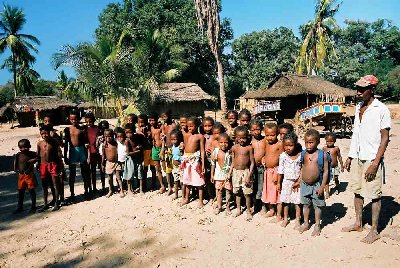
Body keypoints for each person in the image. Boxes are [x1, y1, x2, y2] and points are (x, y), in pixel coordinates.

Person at [342, 75, 391, 244]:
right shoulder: (358, 108)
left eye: (362, 90)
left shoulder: (381, 109)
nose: (358, 92)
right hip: (357, 157)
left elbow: (385, 138)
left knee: (374, 195)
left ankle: (374, 230)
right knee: (357, 190)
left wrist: (376, 163)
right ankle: (358, 223)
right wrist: (350, 155)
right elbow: (356, 133)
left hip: (372, 158)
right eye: (358, 89)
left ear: (372, 90)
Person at [299, 129, 330, 236]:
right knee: (305, 204)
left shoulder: (322, 155)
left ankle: (317, 224)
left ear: (318, 142)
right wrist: (300, 180)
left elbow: (326, 171)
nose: (308, 145)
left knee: (317, 206)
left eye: (311, 142)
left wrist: (322, 187)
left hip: (317, 184)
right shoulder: (303, 154)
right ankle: (306, 223)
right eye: (306, 142)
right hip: (305, 184)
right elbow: (302, 167)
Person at [228, 126, 254, 221]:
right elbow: (232, 162)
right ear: (236, 138)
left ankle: (248, 211)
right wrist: (229, 173)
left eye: (244, 137)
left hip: (246, 172)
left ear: (247, 137)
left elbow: (252, 163)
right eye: (240, 138)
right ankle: (238, 209)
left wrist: (249, 175)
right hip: (235, 172)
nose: (242, 140)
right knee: (237, 192)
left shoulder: (249, 148)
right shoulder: (234, 148)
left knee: (247, 193)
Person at [64, 110, 91, 201]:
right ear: (69, 119)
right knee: (72, 173)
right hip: (72, 151)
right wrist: (65, 156)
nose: (74, 121)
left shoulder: (82, 129)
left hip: (81, 150)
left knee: (85, 172)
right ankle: (72, 193)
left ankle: (86, 191)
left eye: (75, 119)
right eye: (72, 119)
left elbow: (86, 141)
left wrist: (88, 155)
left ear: (78, 119)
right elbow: (66, 143)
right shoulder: (67, 130)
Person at [277, 132, 302, 229]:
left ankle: (297, 220)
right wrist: (279, 183)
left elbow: (302, 169)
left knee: (297, 202)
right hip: (286, 182)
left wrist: (299, 181)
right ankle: (286, 218)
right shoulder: (283, 156)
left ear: (295, 145)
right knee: (285, 201)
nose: (288, 148)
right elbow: (280, 170)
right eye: (286, 145)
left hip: (297, 182)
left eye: (291, 145)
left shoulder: (300, 156)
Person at [181, 116, 205, 208]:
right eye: (188, 126)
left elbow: (202, 150)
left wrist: (202, 164)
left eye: (191, 126)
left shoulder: (200, 136)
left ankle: (201, 201)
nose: (189, 128)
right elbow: (184, 147)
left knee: (199, 181)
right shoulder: (187, 135)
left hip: (195, 160)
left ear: (197, 125)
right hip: (186, 160)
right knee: (187, 180)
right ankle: (186, 198)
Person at [261, 123, 283, 219]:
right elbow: (266, 153)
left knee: (277, 193)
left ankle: (279, 214)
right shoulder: (265, 142)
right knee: (269, 191)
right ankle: (272, 210)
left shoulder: (279, 144)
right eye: (267, 135)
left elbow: (282, 159)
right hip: (267, 171)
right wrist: (263, 158)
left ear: (277, 134)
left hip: (276, 171)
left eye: (272, 135)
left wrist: (278, 174)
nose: (270, 138)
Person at [37, 125, 62, 211]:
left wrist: (60, 166)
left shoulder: (54, 142)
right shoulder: (39, 143)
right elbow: (38, 155)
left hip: (53, 164)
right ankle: (45, 203)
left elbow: (58, 155)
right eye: (42, 133)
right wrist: (37, 164)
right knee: (44, 185)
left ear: (49, 133)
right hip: (43, 165)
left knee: (55, 183)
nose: (44, 135)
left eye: (46, 133)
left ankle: (56, 202)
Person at [211, 133, 232, 215]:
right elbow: (213, 164)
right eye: (221, 142)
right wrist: (212, 174)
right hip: (218, 175)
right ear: (218, 143)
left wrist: (230, 173)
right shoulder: (215, 152)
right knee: (219, 192)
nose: (223, 144)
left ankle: (227, 207)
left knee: (228, 192)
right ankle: (219, 207)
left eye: (226, 142)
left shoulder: (229, 152)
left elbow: (232, 163)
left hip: (227, 176)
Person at [14, 139, 37, 213]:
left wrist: (32, 161)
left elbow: (38, 157)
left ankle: (33, 207)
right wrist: (16, 169)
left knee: (31, 191)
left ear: (29, 146)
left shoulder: (31, 154)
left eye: (25, 147)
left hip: (29, 175)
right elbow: (16, 162)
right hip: (21, 175)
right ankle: (20, 207)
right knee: (21, 191)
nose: (23, 149)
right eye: (21, 147)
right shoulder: (18, 154)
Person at [102, 129, 125, 198]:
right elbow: (103, 155)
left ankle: (121, 190)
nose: (108, 138)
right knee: (109, 178)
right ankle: (110, 190)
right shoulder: (104, 145)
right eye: (106, 136)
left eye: (110, 136)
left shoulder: (116, 143)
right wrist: (102, 164)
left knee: (118, 177)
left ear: (113, 136)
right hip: (109, 163)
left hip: (117, 162)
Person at [250, 119, 266, 213]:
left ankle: (263, 205)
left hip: (262, 167)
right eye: (253, 130)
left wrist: (265, 158)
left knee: (262, 186)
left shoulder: (265, 140)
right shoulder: (249, 141)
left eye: (258, 129)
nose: (256, 132)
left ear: (262, 129)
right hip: (252, 168)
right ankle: (254, 205)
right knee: (253, 186)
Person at [124, 123, 144, 194]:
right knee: (130, 175)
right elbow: (128, 153)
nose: (128, 134)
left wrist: (140, 147)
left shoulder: (137, 137)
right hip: (130, 159)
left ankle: (141, 189)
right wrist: (137, 151)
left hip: (138, 159)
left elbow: (141, 145)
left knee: (140, 174)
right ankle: (129, 189)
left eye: (130, 132)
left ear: (134, 131)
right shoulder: (127, 141)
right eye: (126, 132)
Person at [137, 114, 155, 190]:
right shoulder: (137, 130)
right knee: (144, 169)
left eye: (142, 122)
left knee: (153, 168)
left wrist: (149, 135)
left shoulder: (150, 129)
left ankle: (154, 184)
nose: (141, 124)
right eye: (139, 122)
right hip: (143, 152)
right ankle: (144, 185)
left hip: (151, 150)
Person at [149, 112, 166, 193]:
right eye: (150, 120)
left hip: (161, 148)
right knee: (157, 169)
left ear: (156, 120)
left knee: (165, 168)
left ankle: (170, 184)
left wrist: (162, 149)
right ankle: (162, 185)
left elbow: (163, 139)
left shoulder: (161, 127)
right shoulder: (150, 128)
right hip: (154, 149)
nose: (152, 122)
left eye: (153, 120)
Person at [323, 132, 344, 196]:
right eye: (327, 141)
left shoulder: (336, 148)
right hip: (327, 167)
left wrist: (342, 166)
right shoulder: (324, 148)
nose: (329, 143)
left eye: (331, 141)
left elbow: (339, 157)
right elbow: (322, 157)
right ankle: (327, 192)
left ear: (334, 141)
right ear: (325, 140)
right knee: (326, 179)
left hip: (335, 167)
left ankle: (337, 187)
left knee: (336, 178)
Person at [85, 112, 100, 194]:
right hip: (87, 153)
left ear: (93, 120)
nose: (88, 123)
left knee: (94, 171)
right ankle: (88, 188)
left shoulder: (97, 129)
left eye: (90, 121)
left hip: (95, 152)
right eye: (86, 122)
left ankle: (94, 188)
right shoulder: (84, 129)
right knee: (87, 172)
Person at [202, 116, 215, 201]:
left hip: (213, 159)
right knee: (205, 177)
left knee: (213, 176)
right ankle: (207, 194)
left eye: (209, 126)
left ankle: (213, 195)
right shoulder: (202, 136)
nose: (207, 128)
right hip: (204, 159)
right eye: (205, 126)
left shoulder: (214, 136)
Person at [96, 120, 110, 192]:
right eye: (102, 127)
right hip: (101, 154)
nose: (103, 129)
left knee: (110, 171)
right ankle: (103, 186)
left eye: (105, 127)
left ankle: (111, 186)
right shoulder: (98, 135)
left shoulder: (110, 134)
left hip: (108, 154)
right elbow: (96, 146)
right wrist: (99, 139)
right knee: (102, 170)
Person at [170, 129, 183, 200]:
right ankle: (176, 194)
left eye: (175, 139)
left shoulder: (180, 147)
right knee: (175, 181)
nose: (173, 141)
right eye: (172, 139)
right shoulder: (173, 146)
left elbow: (182, 156)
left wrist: (178, 158)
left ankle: (183, 195)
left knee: (182, 182)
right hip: (174, 167)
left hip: (180, 167)